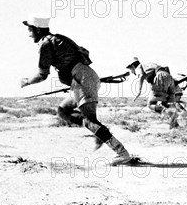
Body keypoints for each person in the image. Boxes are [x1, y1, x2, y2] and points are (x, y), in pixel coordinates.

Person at [21, 15, 131, 165]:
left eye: (30, 29)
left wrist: (27, 82)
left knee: (90, 121)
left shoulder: (46, 43)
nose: (29, 33)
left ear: (38, 30)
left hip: (82, 80)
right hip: (82, 79)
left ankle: (122, 153)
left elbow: (42, 74)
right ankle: (100, 132)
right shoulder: (58, 38)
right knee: (63, 111)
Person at [126, 58, 179, 128]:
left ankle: (166, 112)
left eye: (131, 69)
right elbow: (165, 69)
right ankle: (174, 125)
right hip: (169, 78)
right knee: (168, 104)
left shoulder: (139, 67)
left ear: (133, 66)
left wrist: (139, 91)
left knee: (151, 104)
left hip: (161, 77)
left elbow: (141, 76)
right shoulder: (149, 64)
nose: (132, 72)